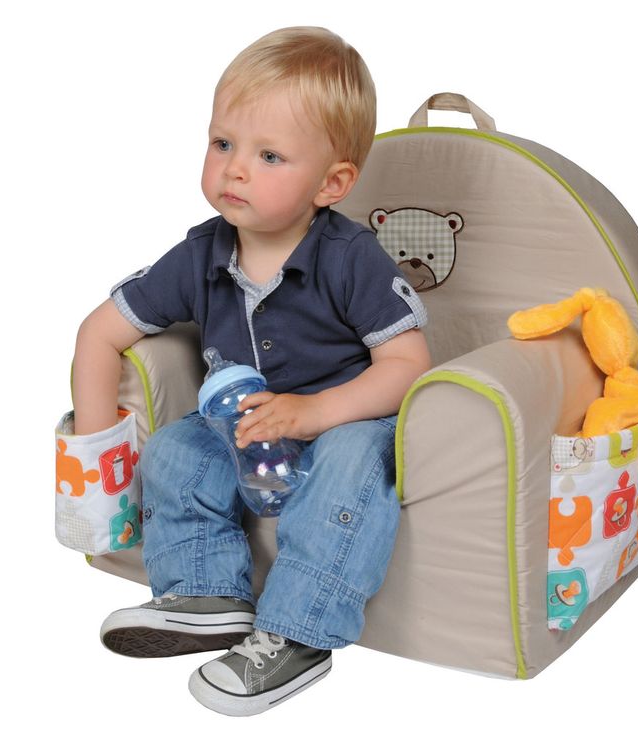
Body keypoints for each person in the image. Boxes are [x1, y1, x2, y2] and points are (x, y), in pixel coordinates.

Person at [71, 26, 431, 716]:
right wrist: (96, 462)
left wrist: (319, 413)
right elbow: (99, 333)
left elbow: (408, 366)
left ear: (333, 183)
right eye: (223, 144)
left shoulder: (349, 258)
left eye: (269, 156)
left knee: (355, 459)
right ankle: (207, 593)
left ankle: (298, 631)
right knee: (178, 445)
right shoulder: (201, 253)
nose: (235, 169)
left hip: (343, 420)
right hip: (246, 427)